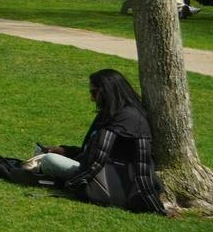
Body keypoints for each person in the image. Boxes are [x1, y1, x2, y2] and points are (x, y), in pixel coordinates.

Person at [29, 69, 164, 213]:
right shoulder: (112, 114)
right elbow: (91, 151)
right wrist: (65, 150)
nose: (92, 99)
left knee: (50, 160)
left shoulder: (129, 118)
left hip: (102, 178)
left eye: (94, 93)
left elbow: (139, 167)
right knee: (51, 157)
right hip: (93, 170)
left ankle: (38, 166)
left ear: (107, 92)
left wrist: (158, 209)